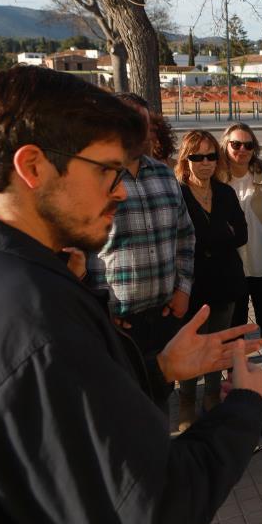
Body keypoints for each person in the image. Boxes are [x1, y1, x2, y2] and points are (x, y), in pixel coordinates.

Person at [0, 65, 262, 524]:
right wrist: (244, 406)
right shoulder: (32, 317)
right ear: (32, 166)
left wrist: (156, 370)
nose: (121, 190)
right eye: (107, 171)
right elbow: (149, 512)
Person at [86, 94, 195, 380]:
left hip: (164, 314)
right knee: (122, 398)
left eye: (142, 123)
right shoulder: (93, 177)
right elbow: (78, 251)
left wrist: (183, 289)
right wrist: (99, 310)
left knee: (160, 394)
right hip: (116, 321)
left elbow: (185, 237)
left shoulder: (164, 175)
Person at [175, 130, 248, 431]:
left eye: (210, 156)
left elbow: (241, 234)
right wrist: (220, 236)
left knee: (217, 346)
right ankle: (186, 402)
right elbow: (181, 241)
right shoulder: (177, 194)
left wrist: (208, 241)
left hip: (225, 283)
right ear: (186, 159)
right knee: (192, 347)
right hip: (191, 287)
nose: (205, 163)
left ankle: (212, 397)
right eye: (197, 157)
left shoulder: (225, 192)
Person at [220, 122, 262, 397]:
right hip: (231, 265)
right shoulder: (215, 178)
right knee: (233, 323)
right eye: (236, 144)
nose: (242, 150)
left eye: (248, 145)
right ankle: (235, 371)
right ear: (226, 146)